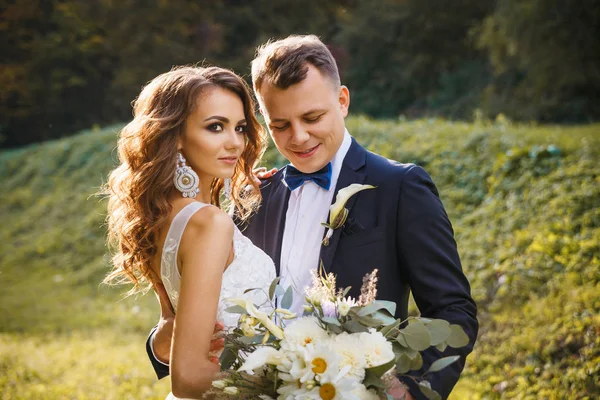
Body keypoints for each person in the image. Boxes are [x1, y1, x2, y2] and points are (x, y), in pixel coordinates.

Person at [149, 35, 479, 400]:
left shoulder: (399, 187)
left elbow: (452, 309)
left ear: (342, 101)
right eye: (280, 125)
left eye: (312, 117)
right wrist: (164, 343)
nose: (299, 137)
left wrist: (409, 390)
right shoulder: (253, 196)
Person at [104, 65, 276, 399]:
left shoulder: (160, 219)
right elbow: (187, 376)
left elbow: (171, 325)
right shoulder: (209, 223)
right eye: (215, 127)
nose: (235, 143)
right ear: (176, 136)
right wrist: (295, 383)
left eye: (240, 128)